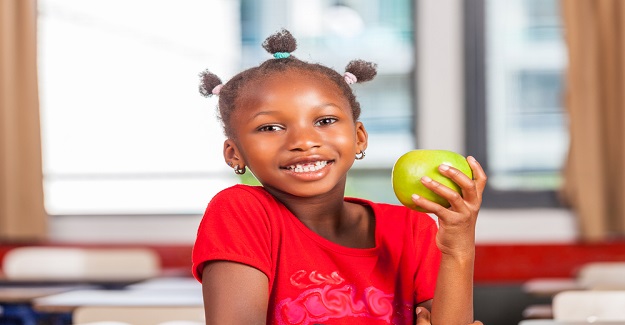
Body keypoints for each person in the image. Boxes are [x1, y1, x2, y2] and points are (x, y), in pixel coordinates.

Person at [192, 28, 487, 325]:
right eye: (270, 127)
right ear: (234, 154)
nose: (304, 141)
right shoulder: (240, 211)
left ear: (359, 137)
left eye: (325, 120)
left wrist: (458, 244)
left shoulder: (412, 230)